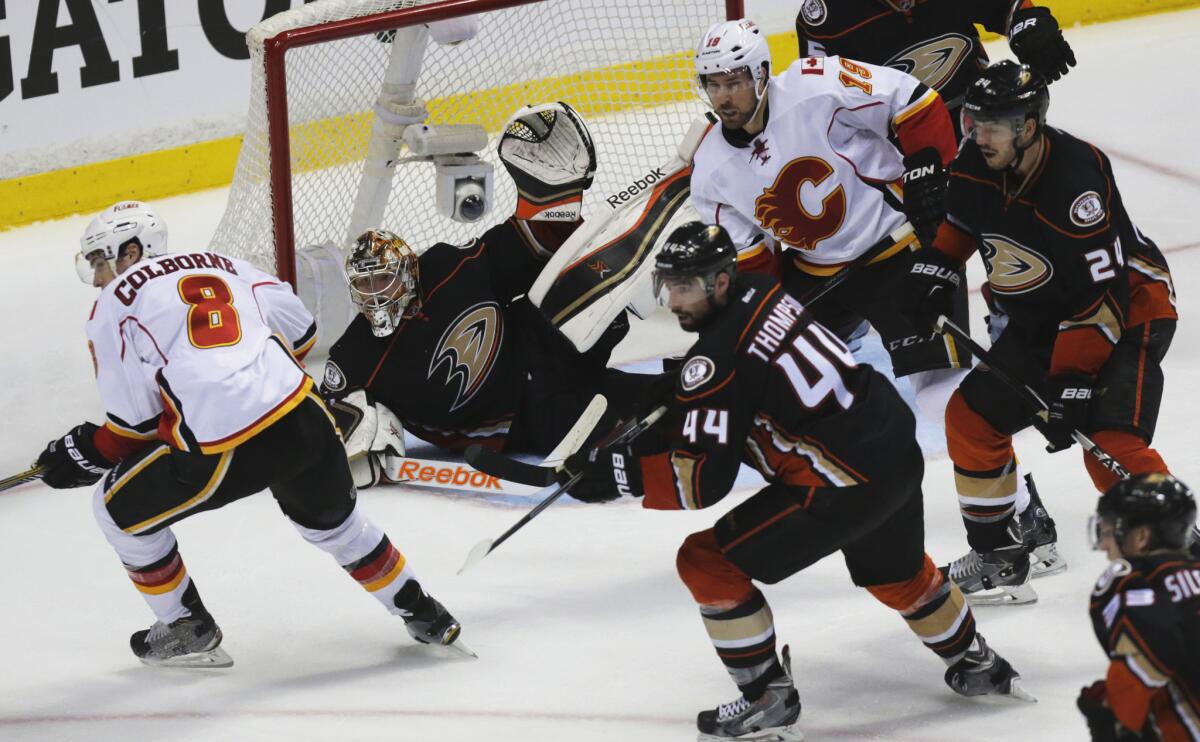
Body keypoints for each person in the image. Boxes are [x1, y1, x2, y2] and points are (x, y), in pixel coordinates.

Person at [562, 221, 1028, 741]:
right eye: (668, 285)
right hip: (892, 443)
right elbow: (742, 382)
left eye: (684, 286)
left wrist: (619, 475)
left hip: (842, 478)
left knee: (706, 562)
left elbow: (702, 482)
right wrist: (665, 399)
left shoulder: (714, 361)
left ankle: (768, 699)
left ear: (719, 283)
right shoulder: (761, 291)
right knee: (895, 575)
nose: (672, 299)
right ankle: (977, 660)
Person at [35, 200, 467, 667]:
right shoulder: (227, 265)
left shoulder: (112, 304)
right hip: (303, 414)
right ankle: (426, 614)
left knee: (114, 510)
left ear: (133, 251)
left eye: (103, 260)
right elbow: (301, 332)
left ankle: (186, 625)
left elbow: (131, 426)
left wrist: (82, 452)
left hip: (224, 442)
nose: (99, 276)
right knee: (338, 528)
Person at [900, 61, 1178, 604]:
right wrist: (935, 271)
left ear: (1029, 126)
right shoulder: (979, 158)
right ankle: (1001, 555)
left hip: (1127, 310)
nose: (979, 136)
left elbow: (1099, 301)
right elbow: (963, 222)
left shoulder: (1074, 183)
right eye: (974, 123)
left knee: (1108, 445)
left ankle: (1177, 555)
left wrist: (1071, 386)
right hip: (1046, 314)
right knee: (972, 420)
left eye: (993, 126)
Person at [688, 19, 978, 465]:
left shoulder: (815, 84)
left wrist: (925, 167)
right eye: (713, 84)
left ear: (761, 74)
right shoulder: (710, 173)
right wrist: (762, 327)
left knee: (941, 396)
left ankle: (1013, 508)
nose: (724, 96)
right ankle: (858, 488)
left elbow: (914, 100)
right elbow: (757, 268)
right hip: (817, 272)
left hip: (894, 245)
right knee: (785, 389)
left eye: (735, 81)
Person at [320, 102, 650, 484]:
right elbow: (314, 409)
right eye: (365, 284)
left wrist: (550, 197)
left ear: (408, 274)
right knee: (634, 414)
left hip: (547, 355)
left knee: (593, 293)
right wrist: (359, 425)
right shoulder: (353, 354)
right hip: (518, 423)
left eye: (384, 280)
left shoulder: (445, 268)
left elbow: (525, 244)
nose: (376, 295)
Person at [794, 0, 1075, 139]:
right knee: (934, 250)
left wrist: (1028, 25)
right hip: (900, 143)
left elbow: (1009, 7)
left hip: (979, 118)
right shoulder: (824, 17)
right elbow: (820, 101)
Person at [1079, 473, 1199, 741]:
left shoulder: (1134, 583)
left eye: (1110, 531)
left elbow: (1158, 646)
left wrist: (1116, 715)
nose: (1105, 546)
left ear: (1141, 537)